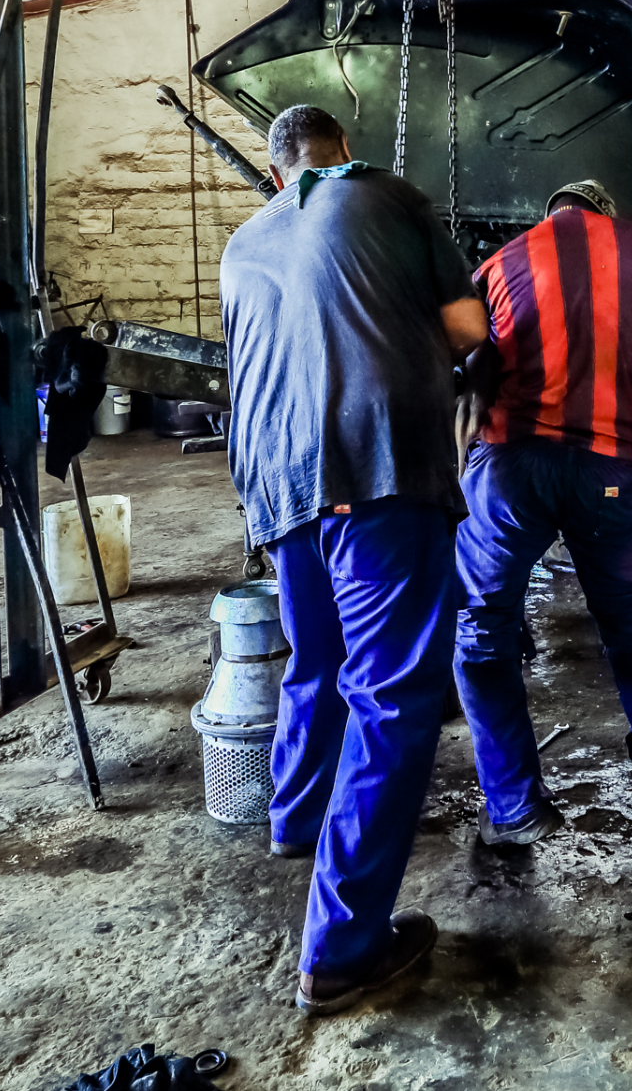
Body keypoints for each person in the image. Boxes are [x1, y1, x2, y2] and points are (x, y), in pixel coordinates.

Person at [219, 104, 488, 1016]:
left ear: (277, 165)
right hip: (376, 464)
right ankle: (342, 950)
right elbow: (466, 333)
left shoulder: (243, 239)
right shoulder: (388, 195)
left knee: (318, 658)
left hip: (275, 479)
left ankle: (294, 820)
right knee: (395, 697)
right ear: (342, 149)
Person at [452, 177, 632, 849]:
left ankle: (514, 807)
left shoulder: (500, 261)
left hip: (510, 469)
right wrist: (615, 387)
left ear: (552, 212)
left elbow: (473, 369)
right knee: (630, 619)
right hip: (610, 466)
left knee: (483, 627)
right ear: (606, 212)